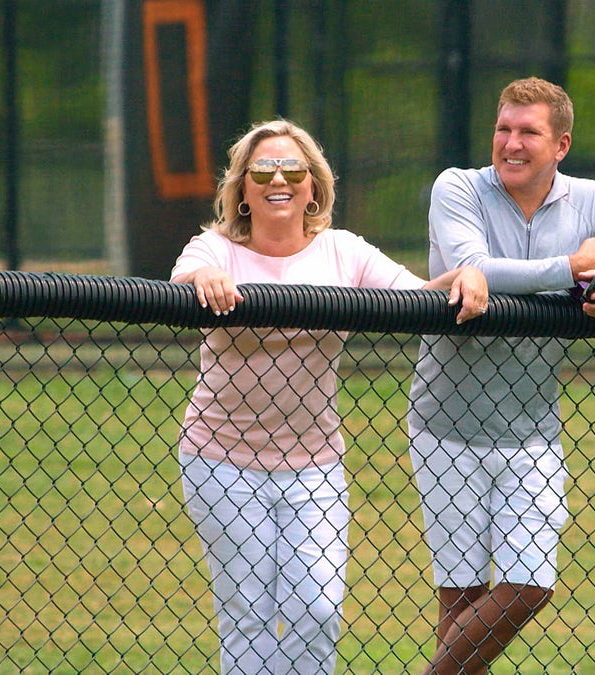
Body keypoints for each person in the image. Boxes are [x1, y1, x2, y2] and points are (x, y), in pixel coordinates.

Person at [170, 119, 487, 675]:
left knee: (316, 611)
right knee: (248, 615)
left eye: (293, 169)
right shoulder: (215, 248)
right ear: (242, 188)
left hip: (314, 465)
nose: (279, 181)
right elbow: (185, 274)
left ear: (313, 185)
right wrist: (205, 279)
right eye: (262, 170)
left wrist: (465, 276)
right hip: (220, 459)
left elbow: (416, 297)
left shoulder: (342, 251)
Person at [407, 77, 595, 674]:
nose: (511, 143)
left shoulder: (589, 199)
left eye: (528, 132)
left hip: (533, 430)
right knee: (460, 599)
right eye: (503, 128)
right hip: (444, 426)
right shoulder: (456, 187)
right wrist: (571, 267)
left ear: (560, 144)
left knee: (530, 584)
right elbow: (473, 268)